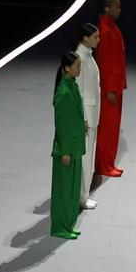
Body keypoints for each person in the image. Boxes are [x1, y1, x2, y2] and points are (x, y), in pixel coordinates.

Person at [51, 51, 85, 240]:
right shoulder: (63, 91)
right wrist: (64, 151)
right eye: (77, 66)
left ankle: (67, 224)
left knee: (71, 189)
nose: (79, 69)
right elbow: (61, 124)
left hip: (75, 144)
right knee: (63, 190)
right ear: (67, 68)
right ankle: (59, 226)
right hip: (66, 147)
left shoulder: (71, 85)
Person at [94, 0, 127, 177]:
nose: (119, 9)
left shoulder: (111, 27)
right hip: (110, 87)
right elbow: (106, 62)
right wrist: (110, 89)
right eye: (117, 6)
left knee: (113, 127)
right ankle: (103, 165)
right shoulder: (105, 29)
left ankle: (109, 162)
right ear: (107, 7)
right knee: (106, 128)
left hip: (116, 85)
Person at [75, 22, 101, 209]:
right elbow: (79, 91)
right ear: (85, 38)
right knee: (85, 158)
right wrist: (83, 117)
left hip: (92, 113)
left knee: (88, 157)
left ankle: (83, 194)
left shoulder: (88, 56)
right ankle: (80, 197)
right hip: (87, 116)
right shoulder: (80, 58)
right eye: (95, 37)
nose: (98, 40)